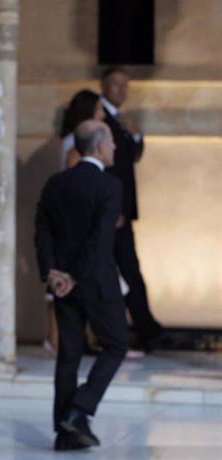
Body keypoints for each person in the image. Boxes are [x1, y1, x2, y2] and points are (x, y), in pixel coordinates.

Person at [35, 119, 128, 451]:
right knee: (117, 344)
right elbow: (99, 240)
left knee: (69, 355)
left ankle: (65, 434)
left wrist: (53, 273)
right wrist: (73, 275)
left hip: (63, 284)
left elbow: (42, 232)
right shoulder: (111, 186)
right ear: (100, 147)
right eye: (113, 143)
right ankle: (78, 411)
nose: (115, 147)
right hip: (97, 283)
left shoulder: (56, 183)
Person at [100, 67, 165, 352]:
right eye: (116, 84)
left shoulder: (124, 120)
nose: (121, 90)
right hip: (109, 212)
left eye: (125, 86)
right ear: (104, 85)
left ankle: (146, 328)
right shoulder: (98, 117)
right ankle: (143, 329)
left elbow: (131, 158)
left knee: (129, 270)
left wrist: (137, 135)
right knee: (118, 270)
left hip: (123, 210)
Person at [43, 89, 107, 356]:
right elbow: (74, 184)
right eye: (99, 110)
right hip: (71, 222)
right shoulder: (76, 144)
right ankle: (56, 339)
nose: (103, 114)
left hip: (71, 221)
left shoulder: (75, 140)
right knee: (62, 280)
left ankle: (79, 337)